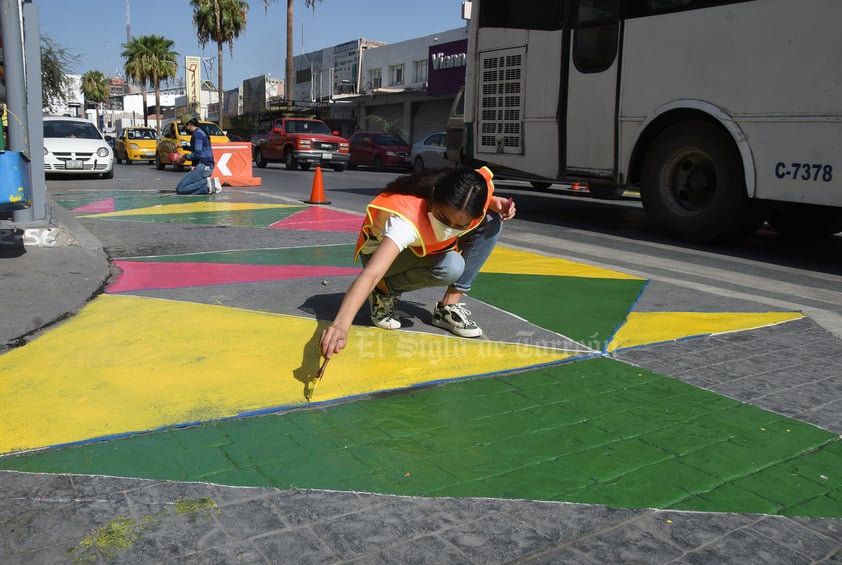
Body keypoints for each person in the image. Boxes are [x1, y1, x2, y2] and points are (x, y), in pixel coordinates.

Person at [319, 166, 516, 359]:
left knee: (492, 220)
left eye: (460, 225)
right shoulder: (405, 221)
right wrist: (340, 326)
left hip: (424, 248)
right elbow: (372, 273)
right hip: (380, 257)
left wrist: (491, 202)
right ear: (433, 196)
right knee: (451, 266)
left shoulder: (469, 197)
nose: (449, 229)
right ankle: (383, 290)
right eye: (443, 218)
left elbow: (473, 205)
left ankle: (447, 308)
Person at [174, 115, 221, 195]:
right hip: (206, 166)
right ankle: (207, 188)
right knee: (190, 192)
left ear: (189, 124)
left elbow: (197, 154)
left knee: (180, 188)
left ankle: (207, 182)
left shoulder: (197, 134)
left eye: (185, 127)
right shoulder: (199, 132)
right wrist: (183, 146)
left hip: (203, 166)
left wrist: (184, 156)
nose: (185, 130)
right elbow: (197, 149)